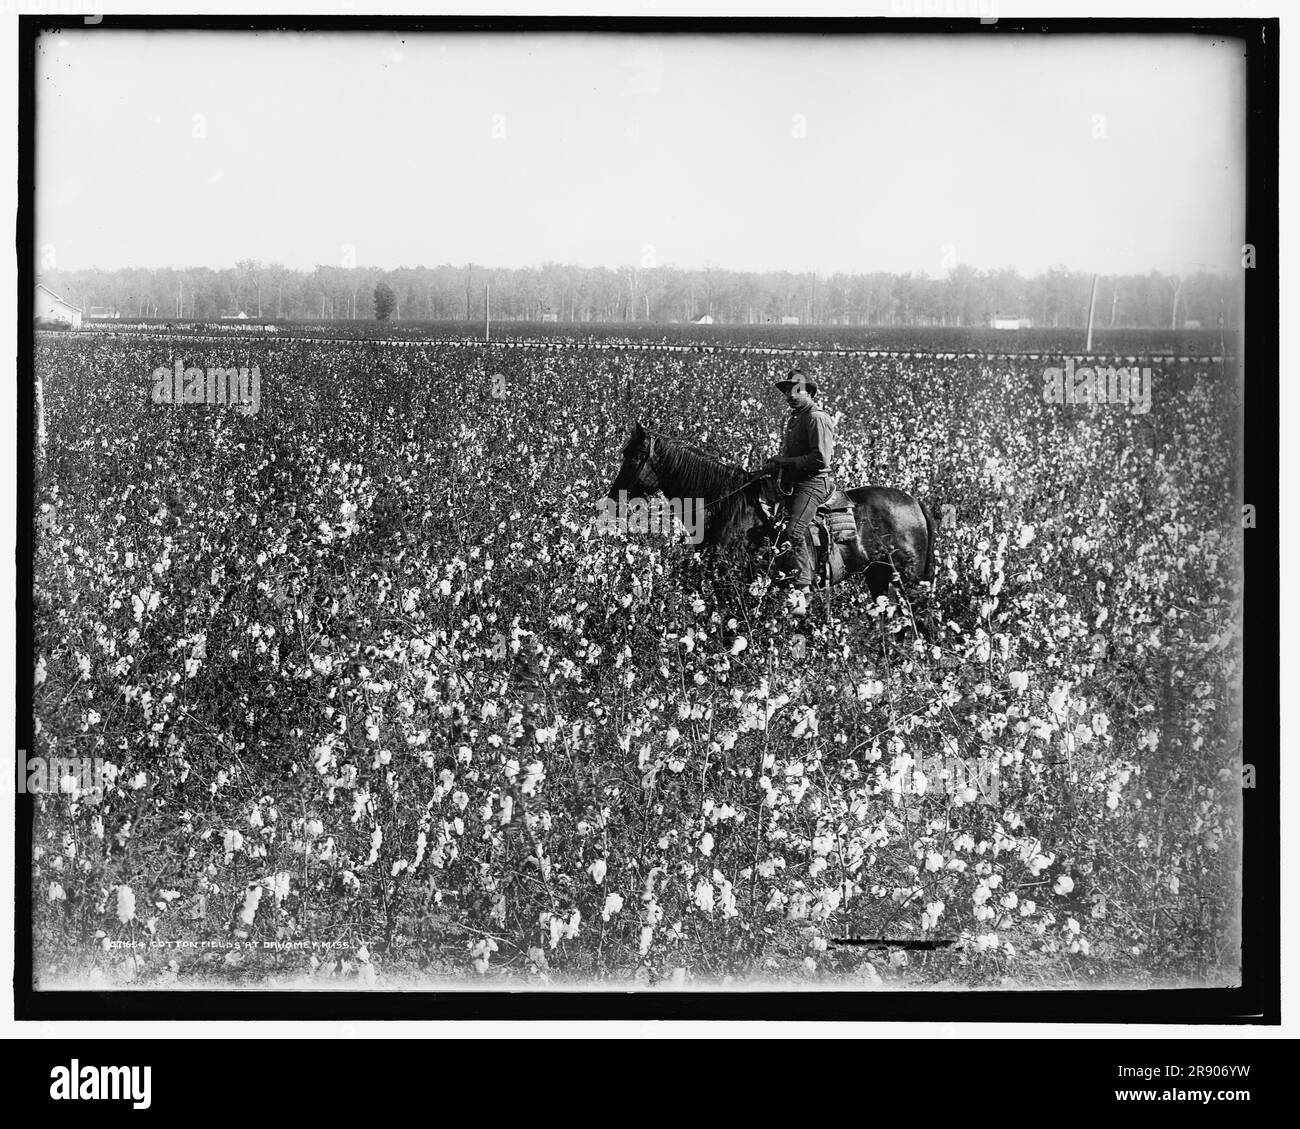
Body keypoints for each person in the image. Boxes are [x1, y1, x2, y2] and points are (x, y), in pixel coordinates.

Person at [762, 366, 835, 615]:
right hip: (794, 480)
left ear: (809, 392)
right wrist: (777, 462)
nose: (790, 396)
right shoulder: (795, 418)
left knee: (793, 531)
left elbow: (821, 460)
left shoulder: (816, 418)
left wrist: (787, 463)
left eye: (796, 390)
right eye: (787, 391)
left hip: (813, 483)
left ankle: (803, 587)